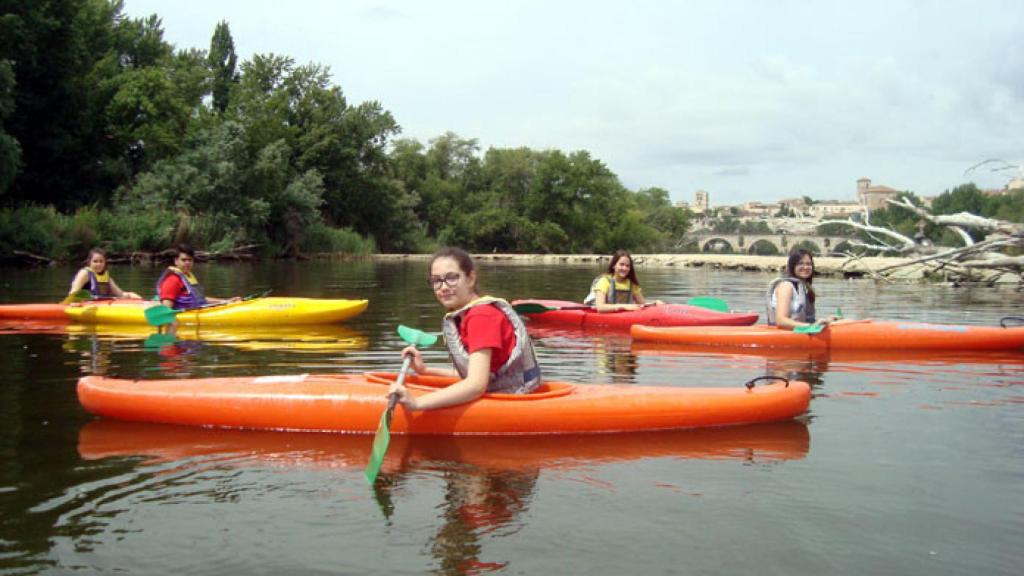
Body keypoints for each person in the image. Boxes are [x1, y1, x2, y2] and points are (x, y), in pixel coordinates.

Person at [389, 247, 542, 411]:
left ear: (470, 279)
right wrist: (425, 370)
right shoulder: (465, 316)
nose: (444, 287)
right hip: (505, 393)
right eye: (436, 281)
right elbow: (478, 374)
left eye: (452, 278)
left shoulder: (481, 317)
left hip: (515, 403)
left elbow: (476, 385)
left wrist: (418, 403)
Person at [766, 249, 839, 330]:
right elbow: (781, 321)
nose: (806, 267)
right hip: (783, 335)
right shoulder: (786, 286)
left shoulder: (806, 288)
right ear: (793, 266)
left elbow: (807, 320)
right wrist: (811, 326)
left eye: (809, 264)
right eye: (801, 263)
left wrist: (826, 321)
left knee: (843, 321)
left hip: (802, 330)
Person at [155, 244, 239, 311]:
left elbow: (200, 299)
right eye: (184, 260)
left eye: (190, 260)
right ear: (176, 261)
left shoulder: (187, 277)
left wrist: (225, 301)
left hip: (197, 310)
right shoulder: (172, 280)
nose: (187, 263)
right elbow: (166, 309)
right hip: (184, 315)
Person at [583, 249, 662, 312]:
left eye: (627, 266)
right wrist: (624, 306)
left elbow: (642, 304)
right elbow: (600, 307)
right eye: (621, 264)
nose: (624, 268)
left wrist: (654, 303)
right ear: (614, 265)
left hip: (622, 314)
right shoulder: (604, 281)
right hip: (599, 311)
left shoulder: (632, 284)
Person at [66, 248, 141, 301]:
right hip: (84, 306)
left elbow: (120, 295)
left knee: (132, 295)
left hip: (100, 305)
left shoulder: (107, 277)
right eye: (95, 261)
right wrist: (74, 302)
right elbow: (73, 293)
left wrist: (131, 295)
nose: (98, 264)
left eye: (101, 261)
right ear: (89, 262)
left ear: (105, 263)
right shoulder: (84, 273)